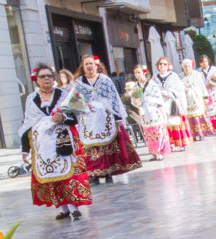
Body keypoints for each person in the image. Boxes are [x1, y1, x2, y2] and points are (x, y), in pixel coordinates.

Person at [20, 63, 90, 220]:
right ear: (36, 80)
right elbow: (27, 124)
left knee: (67, 175)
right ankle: (63, 208)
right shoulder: (31, 99)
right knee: (52, 175)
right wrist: (25, 149)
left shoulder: (65, 94)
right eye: (42, 76)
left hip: (63, 140)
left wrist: (64, 117)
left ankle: (74, 206)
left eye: (49, 76)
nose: (46, 79)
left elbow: (78, 115)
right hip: (42, 145)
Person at [71, 55, 142, 182]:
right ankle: (93, 172)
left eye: (91, 63)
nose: (89, 66)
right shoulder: (78, 83)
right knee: (90, 146)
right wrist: (83, 104)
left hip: (105, 117)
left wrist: (117, 116)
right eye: (86, 64)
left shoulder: (104, 80)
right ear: (83, 66)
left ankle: (109, 170)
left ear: (96, 65)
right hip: (88, 119)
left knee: (108, 145)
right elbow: (73, 100)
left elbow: (114, 98)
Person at [142, 58, 190, 155]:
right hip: (161, 102)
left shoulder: (173, 76)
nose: (162, 66)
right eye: (160, 64)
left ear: (168, 66)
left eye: (164, 64)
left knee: (175, 121)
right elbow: (152, 90)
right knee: (165, 123)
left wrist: (171, 93)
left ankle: (180, 143)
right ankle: (169, 144)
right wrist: (159, 93)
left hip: (172, 101)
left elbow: (179, 89)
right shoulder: (154, 78)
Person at [181, 58, 213, 141]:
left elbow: (202, 86)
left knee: (199, 115)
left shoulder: (197, 74)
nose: (187, 68)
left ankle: (201, 132)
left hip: (197, 97)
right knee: (190, 117)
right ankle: (193, 134)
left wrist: (205, 97)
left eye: (188, 66)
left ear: (191, 66)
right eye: (185, 67)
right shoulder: (180, 76)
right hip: (187, 100)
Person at [198, 55, 216, 134]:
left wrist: (211, 84)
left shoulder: (213, 69)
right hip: (205, 92)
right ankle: (210, 127)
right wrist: (205, 87)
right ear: (200, 63)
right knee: (207, 110)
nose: (204, 63)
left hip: (213, 91)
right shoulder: (198, 71)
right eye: (202, 62)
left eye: (206, 61)